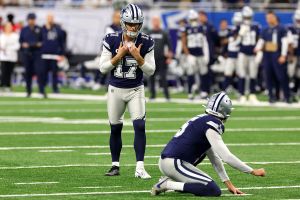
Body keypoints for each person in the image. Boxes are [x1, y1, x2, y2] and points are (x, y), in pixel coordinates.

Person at [151, 91, 266, 197]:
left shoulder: (202, 119)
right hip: (175, 163)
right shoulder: (212, 123)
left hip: (170, 162)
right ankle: (167, 184)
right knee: (212, 190)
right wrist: (252, 171)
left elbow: (214, 157)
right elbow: (226, 156)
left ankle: (174, 183)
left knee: (203, 184)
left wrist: (229, 184)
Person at [99, 4, 155, 179]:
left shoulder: (146, 41)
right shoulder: (111, 39)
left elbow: (151, 70)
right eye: (130, 24)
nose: (133, 27)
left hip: (136, 89)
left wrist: (139, 58)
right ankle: (115, 165)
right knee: (115, 128)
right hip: (116, 90)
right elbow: (102, 68)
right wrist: (119, 55)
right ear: (123, 23)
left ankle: (140, 167)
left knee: (140, 126)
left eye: (137, 24)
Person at [254, 11, 290, 103]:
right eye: (267, 18)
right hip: (267, 55)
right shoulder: (265, 30)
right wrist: (257, 48)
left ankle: (287, 96)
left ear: (275, 17)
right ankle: (271, 96)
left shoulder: (282, 28)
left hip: (277, 54)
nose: (268, 19)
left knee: (281, 76)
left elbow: (285, 42)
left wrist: (283, 55)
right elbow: (261, 41)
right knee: (268, 77)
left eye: (270, 17)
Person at [182, 10, 209, 100]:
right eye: (192, 19)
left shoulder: (202, 28)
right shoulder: (186, 28)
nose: (193, 21)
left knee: (203, 73)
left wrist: (206, 55)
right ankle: (190, 92)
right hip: (191, 54)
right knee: (190, 74)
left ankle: (203, 91)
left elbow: (205, 42)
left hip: (200, 54)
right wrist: (188, 55)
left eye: (194, 19)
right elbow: (184, 43)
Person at [237, 6, 261, 103]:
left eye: (249, 17)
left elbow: (259, 39)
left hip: (252, 53)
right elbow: (235, 42)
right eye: (246, 17)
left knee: (253, 74)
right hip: (243, 53)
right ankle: (242, 94)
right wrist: (240, 34)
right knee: (242, 74)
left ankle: (252, 94)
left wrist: (259, 51)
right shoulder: (239, 26)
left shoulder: (256, 26)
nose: (247, 19)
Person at [40, 13, 65, 97]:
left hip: (54, 55)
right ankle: (42, 88)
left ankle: (55, 88)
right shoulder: (42, 29)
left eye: (51, 18)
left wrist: (62, 54)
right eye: (49, 18)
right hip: (44, 55)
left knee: (55, 73)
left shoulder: (57, 29)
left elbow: (61, 42)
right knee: (43, 72)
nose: (50, 19)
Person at [148, 16, 172, 101]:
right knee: (151, 78)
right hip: (151, 59)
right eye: (154, 21)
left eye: (157, 21)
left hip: (162, 59)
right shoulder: (149, 32)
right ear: (152, 22)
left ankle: (167, 96)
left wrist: (169, 57)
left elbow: (169, 46)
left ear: (160, 22)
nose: (156, 22)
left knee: (163, 78)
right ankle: (152, 95)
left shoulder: (164, 33)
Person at [19, 13, 42, 97]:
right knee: (28, 73)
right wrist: (24, 45)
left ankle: (41, 90)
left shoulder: (39, 29)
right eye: (30, 19)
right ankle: (28, 91)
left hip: (36, 54)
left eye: (33, 19)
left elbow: (41, 42)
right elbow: (21, 41)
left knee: (39, 72)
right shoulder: (24, 29)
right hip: (27, 54)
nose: (32, 20)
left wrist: (32, 44)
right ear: (28, 20)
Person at [223, 12, 242, 91]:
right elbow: (224, 42)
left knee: (240, 74)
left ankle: (240, 90)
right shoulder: (230, 29)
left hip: (239, 55)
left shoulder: (243, 29)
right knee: (228, 73)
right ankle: (225, 89)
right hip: (230, 55)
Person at [0, 22, 20, 92]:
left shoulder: (15, 36)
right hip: (3, 57)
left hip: (12, 57)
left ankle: (8, 86)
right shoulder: (2, 36)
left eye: (10, 26)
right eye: (7, 26)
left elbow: (17, 46)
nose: (9, 28)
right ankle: (2, 85)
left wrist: (8, 48)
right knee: (3, 71)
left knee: (10, 72)